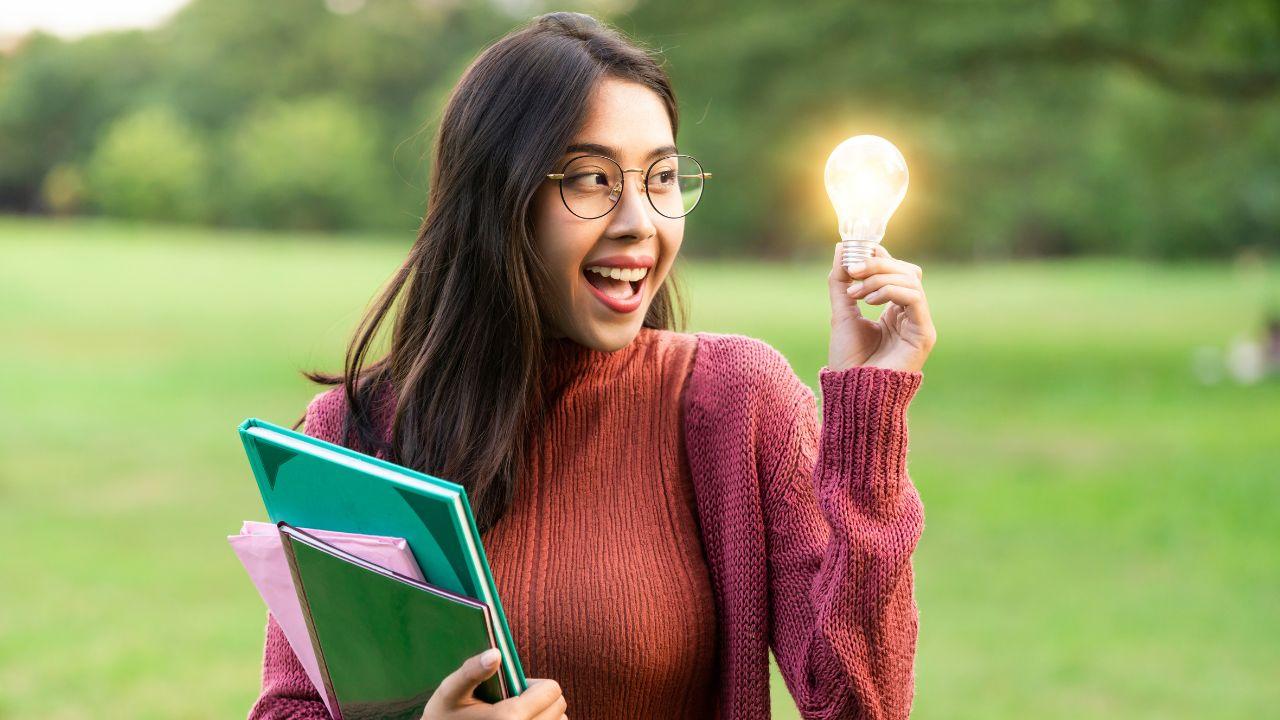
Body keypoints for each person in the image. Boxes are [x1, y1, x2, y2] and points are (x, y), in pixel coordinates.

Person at [247, 11, 937, 720]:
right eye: (591, 179)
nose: (640, 220)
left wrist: (869, 413)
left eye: (661, 178)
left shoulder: (737, 400)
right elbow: (290, 708)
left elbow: (859, 705)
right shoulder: (354, 435)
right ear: (498, 200)